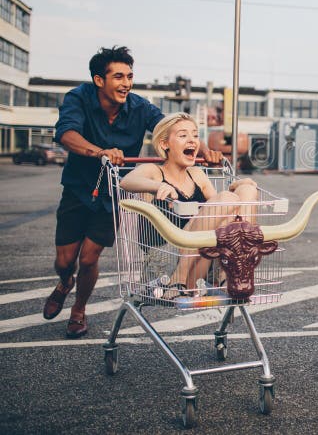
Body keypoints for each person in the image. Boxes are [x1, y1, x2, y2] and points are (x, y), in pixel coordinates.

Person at [43, 46, 221, 338]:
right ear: (99, 80)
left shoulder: (139, 106)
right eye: (118, 77)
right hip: (78, 188)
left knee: (89, 258)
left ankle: (78, 310)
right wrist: (99, 151)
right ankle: (65, 282)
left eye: (129, 76)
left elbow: (171, 129)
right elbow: (66, 133)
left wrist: (204, 150)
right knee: (65, 260)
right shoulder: (79, 98)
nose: (126, 83)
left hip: (113, 190)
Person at [119, 113, 258, 297]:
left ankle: (231, 274)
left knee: (246, 191)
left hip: (201, 258)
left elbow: (225, 212)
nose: (192, 140)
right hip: (166, 266)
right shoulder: (154, 171)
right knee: (227, 198)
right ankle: (179, 280)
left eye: (195, 135)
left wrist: (241, 186)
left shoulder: (196, 174)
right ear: (164, 144)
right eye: (183, 135)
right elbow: (127, 181)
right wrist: (158, 186)